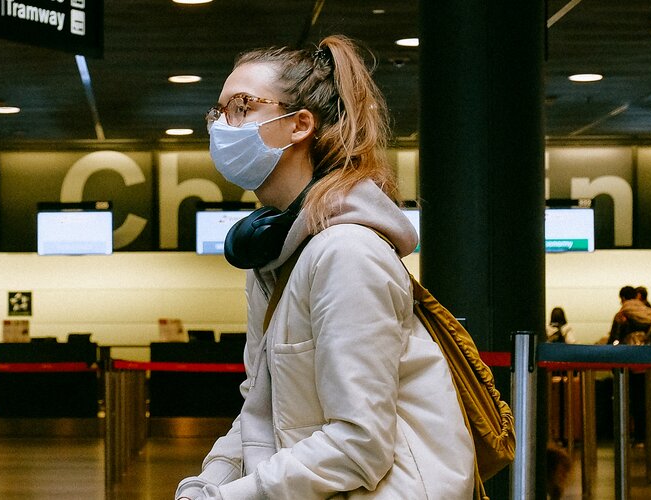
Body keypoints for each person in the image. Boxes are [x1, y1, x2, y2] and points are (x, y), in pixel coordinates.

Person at [175, 36, 473, 499]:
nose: (221, 126)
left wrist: (229, 497)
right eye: (217, 112)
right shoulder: (274, 257)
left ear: (299, 125)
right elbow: (259, 410)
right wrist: (208, 482)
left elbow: (360, 444)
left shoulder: (347, 252)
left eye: (241, 106)